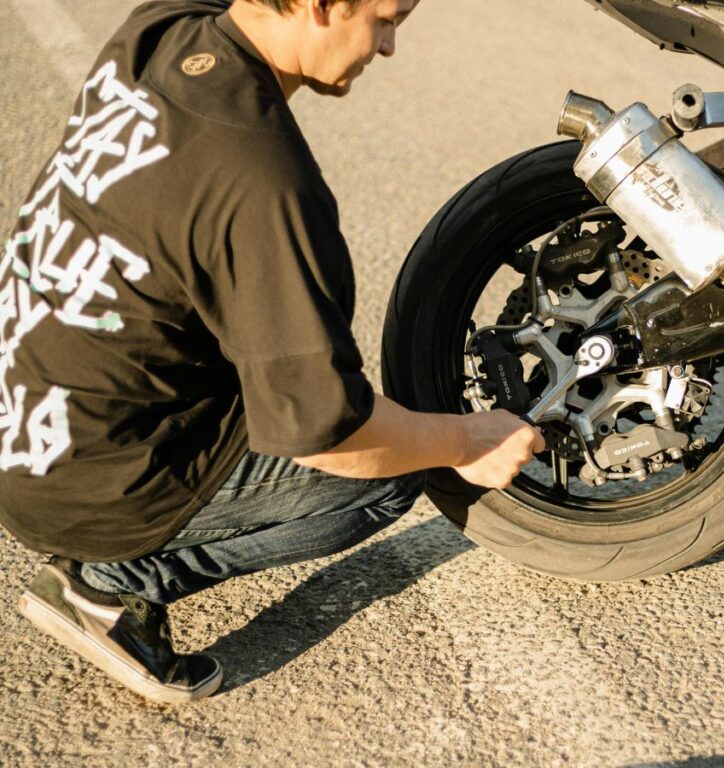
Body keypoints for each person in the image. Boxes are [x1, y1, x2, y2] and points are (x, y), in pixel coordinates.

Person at [2, 0, 543, 704]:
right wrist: (467, 439)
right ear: (319, 4)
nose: (387, 47)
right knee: (385, 473)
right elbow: (330, 436)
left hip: (23, 411)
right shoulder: (263, 181)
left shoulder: (164, 29)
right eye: (384, 20)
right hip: (80, 487)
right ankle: (107, 585)